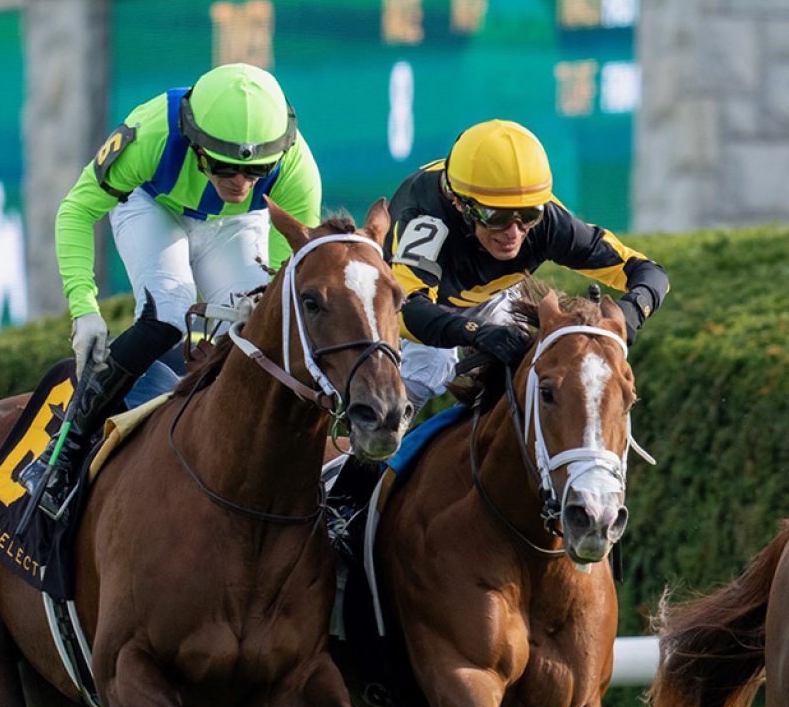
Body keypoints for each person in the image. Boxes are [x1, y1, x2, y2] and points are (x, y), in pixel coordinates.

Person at [33, 62, 323, 519]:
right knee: (169, 316)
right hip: (151, 206)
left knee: (255, 327)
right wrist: (83, 308)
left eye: (256, 171)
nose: (241, 183)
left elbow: (285, 267)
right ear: (194, 140)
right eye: (226, 167)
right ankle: (64, 450)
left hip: (233, 226)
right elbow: (75, 211)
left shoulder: (296, 167)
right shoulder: (151, 135)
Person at [386, 119, 668, 406]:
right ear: (460, 204)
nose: (514, 233)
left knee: (528, 374)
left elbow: (648, 271)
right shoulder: (426, 218)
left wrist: (629, 313)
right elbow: (407, 311)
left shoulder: (550, 221)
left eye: (528, 215)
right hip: (396, 300)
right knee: (424, 375)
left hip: (489, 298)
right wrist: (475, 332)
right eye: (496, 217)